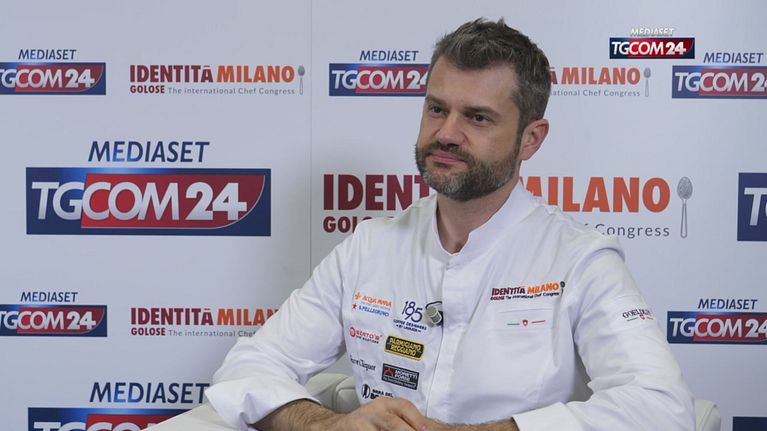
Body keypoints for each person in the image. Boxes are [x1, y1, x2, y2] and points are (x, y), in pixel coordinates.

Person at [206, 18, 695, 431]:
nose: (446, 133)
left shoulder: (581, 260)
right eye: (437, 108)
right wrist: (328, 425)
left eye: (478, 118)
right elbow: (248, 367)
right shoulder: (369, 247)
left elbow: (662, 405)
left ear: (530, 139)